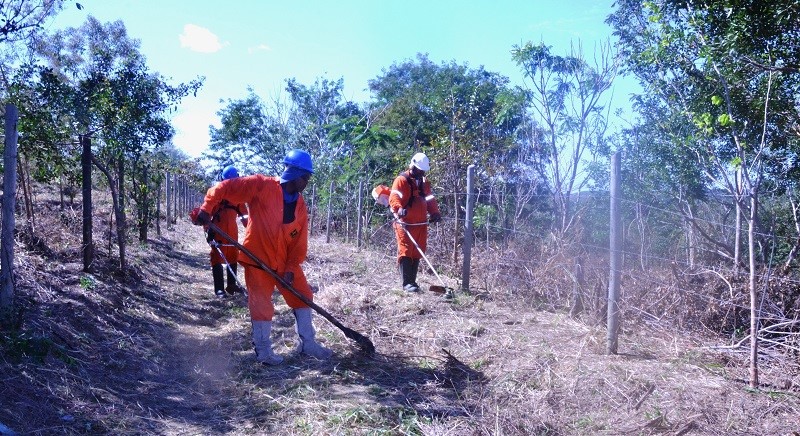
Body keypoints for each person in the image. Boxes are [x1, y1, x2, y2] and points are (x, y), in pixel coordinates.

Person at [194, 149, 332, 365]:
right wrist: (206, 208)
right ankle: (264, 351)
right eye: (306, 176)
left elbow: (299, 242)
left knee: (303, 295)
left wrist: (290, 267)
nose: (307, 181)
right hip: (258, 258)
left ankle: (308, 344)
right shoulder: (262, 185)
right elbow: (222, 188)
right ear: (295, 174)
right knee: (261, 304)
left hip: (285, 261)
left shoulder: (300, 205)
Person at [388, 152, 441, 292]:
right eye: (419, 170)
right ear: (413, 166)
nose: (421, 173)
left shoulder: (424, 183)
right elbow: (394, 197)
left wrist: (435, 213)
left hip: (420, 224)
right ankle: (407, 283)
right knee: (406, 250)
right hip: (405, 223)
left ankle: (413, 282)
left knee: (417, 250)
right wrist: (399, 209)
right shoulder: (401, 180)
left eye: (423, 171)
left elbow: (429, 199)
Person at [205, 165, 247, 298]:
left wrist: (251, 230)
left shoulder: (238, 197)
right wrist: (208, 232)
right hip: (217, 231)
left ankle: (231, 285)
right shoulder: (215, 193)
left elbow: (244, 216)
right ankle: (219, 289)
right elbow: (206, 214)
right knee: (217, 258)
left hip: (232, 232)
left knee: (233, 256)